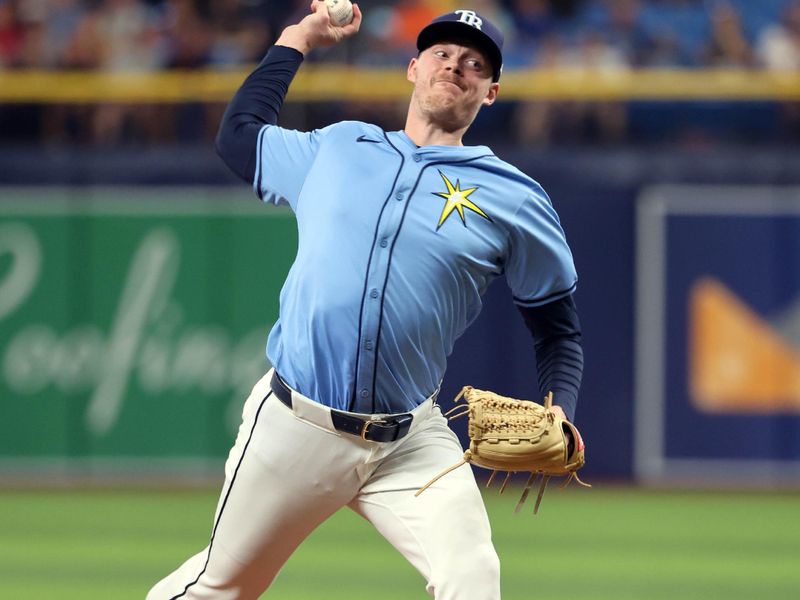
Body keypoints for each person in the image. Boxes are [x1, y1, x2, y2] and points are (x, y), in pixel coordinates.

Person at [147, 3, 583, 598]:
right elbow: (238, 136)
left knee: (473, 575)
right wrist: (296, 38)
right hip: (296, 427)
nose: (456, 66)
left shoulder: (517, 199)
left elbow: (557, 330)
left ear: (491, 92)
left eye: (474, 64)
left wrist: (562, 407)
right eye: (443, 54)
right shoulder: (339, 146)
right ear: (413, 67)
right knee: (221, 587)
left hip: (411, 440)